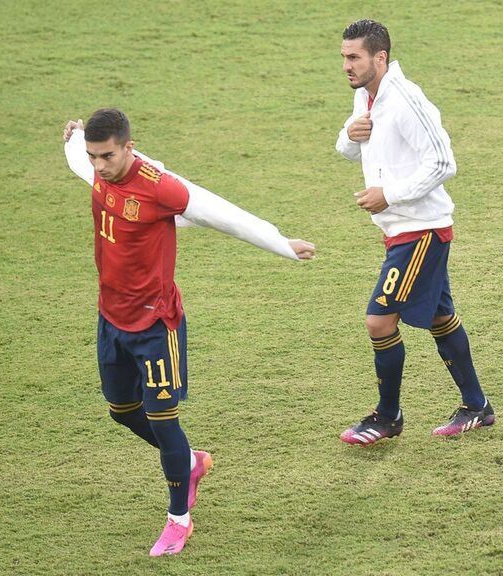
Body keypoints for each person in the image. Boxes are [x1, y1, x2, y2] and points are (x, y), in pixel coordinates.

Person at [62, 109, 315, 556]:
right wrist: (74, 137)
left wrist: (281, 243)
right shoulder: (97, 166)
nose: (98, 166)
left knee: (164, 421)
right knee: (122, 411)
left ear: (129, 147)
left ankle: (178, 518)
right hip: (111, 318)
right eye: (92, 156)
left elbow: (222, 214)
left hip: (156, 326)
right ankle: (191, 461)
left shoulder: (161, 187)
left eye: (107, 156)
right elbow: (79, 161)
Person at [335, 19, 493, 445]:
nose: (347, 65)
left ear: (380, 57)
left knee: (379, 321)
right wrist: (349, 135)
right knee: (441, 317)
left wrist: (389, 195)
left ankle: (387, 417)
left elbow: (443, 163)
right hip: (402, 230)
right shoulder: (365, 96)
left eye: (354, 57)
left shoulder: (405, 100)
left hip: (420, 231)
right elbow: (349, 148)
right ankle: (477, 407)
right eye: (344, 57)